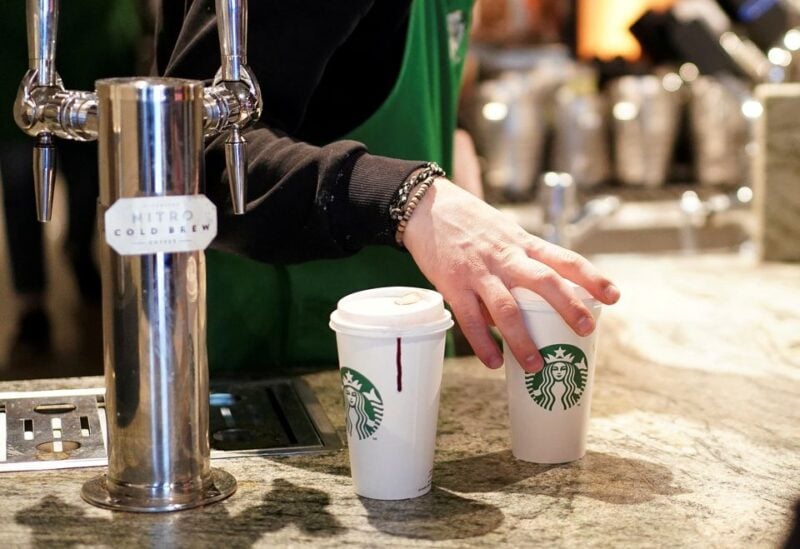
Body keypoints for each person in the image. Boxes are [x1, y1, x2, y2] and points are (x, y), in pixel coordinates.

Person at [157, 0, 620, 376]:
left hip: (401, 358)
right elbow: (196, 152)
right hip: (282, 370)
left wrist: (453, 151)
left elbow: (357, 75)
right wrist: (410, 199)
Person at [0, 0, 142, 356]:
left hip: (91, 70)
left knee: (89, 182)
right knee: (22, 194)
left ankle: (78, 250)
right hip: (14, 71)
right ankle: (31, 300)